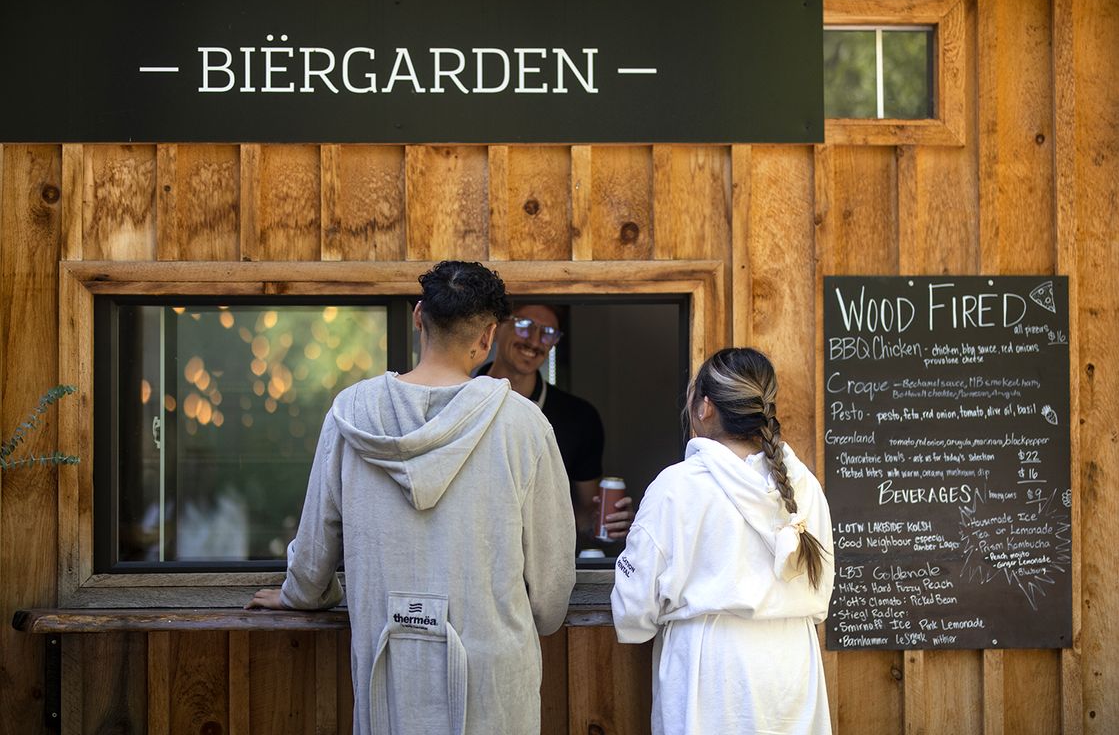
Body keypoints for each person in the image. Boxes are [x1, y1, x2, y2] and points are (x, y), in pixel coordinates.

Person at [246, 261, 577, 735]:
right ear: (487, 336)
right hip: (493, 682)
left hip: (390, 671)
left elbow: (316, 548)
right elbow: (551, 582)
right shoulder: (522, 424)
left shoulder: (350, 415)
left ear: (419, 317)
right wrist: (543, 614)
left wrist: (299, 594)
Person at [610, 347, 835, 735]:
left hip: (711, 678)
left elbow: (633, 613)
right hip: (792, 672)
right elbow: (820, 598)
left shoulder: (676, 488)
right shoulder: (805, 487)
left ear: (706, 407)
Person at [480, 303, 632, 545]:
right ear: (495, 329)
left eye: (548, 333)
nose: (535, 341)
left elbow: (583, 515)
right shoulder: (460, 400)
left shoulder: (579, 417)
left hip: (541, 563)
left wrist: (606, 521)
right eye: (524, 326)